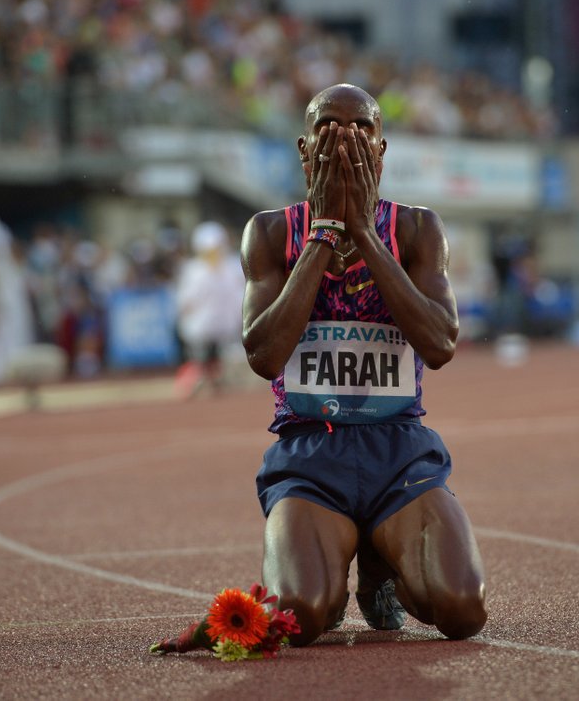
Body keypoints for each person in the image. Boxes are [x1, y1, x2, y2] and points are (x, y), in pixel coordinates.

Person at [240, 83, 488, 646]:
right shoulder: (273, 232)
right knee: (299, 615)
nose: (345, 141)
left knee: (461, 609)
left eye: (361, 130)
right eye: (329, 127)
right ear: (304, 151)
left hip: (398, 449)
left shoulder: (416, 229)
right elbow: (264, 355)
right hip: (310, 454)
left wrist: (366, 235)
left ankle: (381, 562)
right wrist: (324, 232)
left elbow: (440, 344)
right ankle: (334, 565)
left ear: (381, 150)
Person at [175, 221, 245, 396]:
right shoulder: (193, 270)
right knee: (200, 357)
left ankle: (216, 378)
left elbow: (240, 295)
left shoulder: (233, 266)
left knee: (226, 357)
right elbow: (186, 300)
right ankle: (197, 378)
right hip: (201, 326)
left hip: (227, 326)